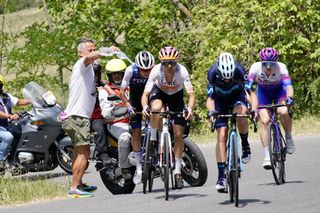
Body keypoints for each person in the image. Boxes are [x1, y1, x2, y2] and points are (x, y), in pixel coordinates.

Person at [62, 37, 118, 198]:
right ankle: (74, 188)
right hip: (78, 117)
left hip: (75, 117)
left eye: (95, 49)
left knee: (78, 152)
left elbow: (101, 81)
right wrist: (107, 51)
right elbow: (89, 59)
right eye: (90, 50)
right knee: (83, 153)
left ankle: (78, 184)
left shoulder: (90, 71)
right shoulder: (82, 65)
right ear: (80, 53)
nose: (93, 52)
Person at [141, 46, 195, 189]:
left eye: (172, 62)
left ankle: (177, 171)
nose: (169, 66)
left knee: (178, 134)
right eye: (166, 63)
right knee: (156, 109)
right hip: (159, 93)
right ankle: (153, 139)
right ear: (161, 63)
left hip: (175, 97)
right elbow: (145, 94)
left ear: (177, 62)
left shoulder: (182, 71)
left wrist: (189, 109)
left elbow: (191, 94)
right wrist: (145, 107)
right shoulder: (155, 71)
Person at [206, 52, 258, 192]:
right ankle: (221, 176)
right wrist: (211, 112)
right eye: (225, 77)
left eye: (230, 77)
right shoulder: (212, 72)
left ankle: (245, 144)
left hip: (237, 97)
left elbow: (251, 94)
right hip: (219, 101)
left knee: (242, 114)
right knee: (222, 134)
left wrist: (254, 110)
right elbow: (210, 98)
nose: (228, 80)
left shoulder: (240, 70)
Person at [246, 47, 295, 170]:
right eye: (265, 64)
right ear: (261, 62)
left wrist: (289, 98)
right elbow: (247, 88)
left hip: (279, 92)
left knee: (283, 111)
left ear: (276, 62)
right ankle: (267, 156)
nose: (268, 67)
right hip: (263, 94)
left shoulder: (281, 68)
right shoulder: (255, 67)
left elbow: (288, 87)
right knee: (264, 120)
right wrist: (250, 103)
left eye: (271, 64)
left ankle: (288, 137)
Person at [119, 50, 155, 184]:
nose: (146, 72)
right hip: (135, 102)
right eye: (143, 70)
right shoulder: (130, 70)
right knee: (136, 132)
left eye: (149, 69)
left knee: (158, 125)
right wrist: (128, 106)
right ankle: (139, 168)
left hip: (151, 98)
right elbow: (121, 93)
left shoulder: (156, 70)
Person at [98, 59, 133, 180]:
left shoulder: (131, 87)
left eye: (119, 73)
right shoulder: (105, 92)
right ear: (109, 75)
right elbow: (105, 112)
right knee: (125, 138)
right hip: (116, 123)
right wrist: (116, 111)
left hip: (135, 120)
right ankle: (125, 168)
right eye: (114, 74)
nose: (117, 76)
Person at [0, 75, 31, 173]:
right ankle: (0, 160)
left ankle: (14, 159)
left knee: (25, 129)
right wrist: (9, 116)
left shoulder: (6, 96)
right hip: (1, 126)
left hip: (7, 125)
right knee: (8, 137)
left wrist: (34, 101)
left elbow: (19, 102)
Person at [91, 62, 112, 167]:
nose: (94, 76)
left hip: (103, 113)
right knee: (99, 129)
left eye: (96, 74)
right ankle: (103, 154)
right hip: (91, 115)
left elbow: (112, 92)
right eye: (92, 73)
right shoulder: (83, 85)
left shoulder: (102, 84)